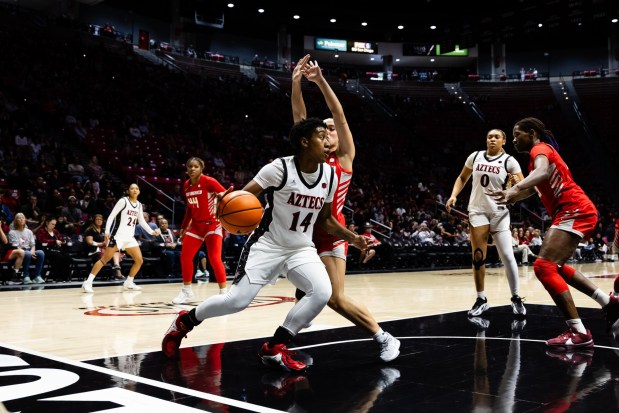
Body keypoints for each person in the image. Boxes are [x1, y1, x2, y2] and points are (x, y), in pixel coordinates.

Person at [162, 117, 370, 372]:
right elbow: (245, 196)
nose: (327, 141)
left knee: (322, 292)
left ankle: (274, 348)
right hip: (267, 245)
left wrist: (354, 238)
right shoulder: (279, 168)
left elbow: (325, 219)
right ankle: (185, 322)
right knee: (236, 302)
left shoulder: (329, 174)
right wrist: (228, 200)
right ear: (305, 142)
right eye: (321, 136)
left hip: (301, 248)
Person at [290, 54, 400, 361]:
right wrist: (296, 81)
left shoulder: (345, 158)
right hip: (301, 233)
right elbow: (299, 115)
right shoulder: (309, 157)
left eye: (331, 129)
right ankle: (302, 311)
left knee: (335, 298)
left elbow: (338, 114)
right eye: (321, 130)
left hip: (332, 233)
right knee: (304, 285)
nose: (327, 132)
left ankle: (384, 337)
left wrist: (320, 80)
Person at [487, 117, 619, 348]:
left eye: (517, 134)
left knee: (543, 267)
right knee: (554, 266)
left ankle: (579, 332)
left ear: (532, 133)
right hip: (571, 210)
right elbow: (533, 188)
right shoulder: (535, 161)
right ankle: (609, 304)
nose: (514, 139)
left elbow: (542, 172)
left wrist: (515, 187)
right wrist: (511, 196)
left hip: (573, 208)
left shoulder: (540, 150)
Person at [446, 128, 526, 317]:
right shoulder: (475, 157)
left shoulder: (510, 161)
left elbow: (523, 187)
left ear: (503, 141)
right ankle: (481, 299)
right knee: (478, 257)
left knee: (507, 255)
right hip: (478, 211)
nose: (492, 139)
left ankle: (516, 298)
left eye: (496, 137)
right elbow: (462, 177)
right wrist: (453, 195)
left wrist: (515, 188)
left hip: (499, 212)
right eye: (489, 136)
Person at [81, 183, 160, 293]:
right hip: (118, 237)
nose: (134, 190)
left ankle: (128, 282)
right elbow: (111, 216)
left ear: (139, 191)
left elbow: (141, 221)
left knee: (139, 260)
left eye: (137, 188)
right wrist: (107, 232)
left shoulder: (139, 205)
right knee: (104, 260)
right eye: (132, 188)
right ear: (128, 191)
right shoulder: (123, 201)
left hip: (130, 238)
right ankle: (87, 282)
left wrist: (152, 232)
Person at [171, 157, 229, 304]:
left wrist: (222, 198)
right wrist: (183, 228)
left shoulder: (209, 181)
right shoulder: (186, 185)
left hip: (212, 224)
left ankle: (224, 293)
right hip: (196, 226)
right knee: (185, 256)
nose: (192, 169)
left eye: (195, 166)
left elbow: (227, 197)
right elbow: (189, 209)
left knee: (214, 258)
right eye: (190, 166)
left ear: (201, 168)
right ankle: (187, 292)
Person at [83, 214, 125, 281]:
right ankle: (118, 273)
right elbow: (90, 242)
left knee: (114, 249)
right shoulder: (90, 230)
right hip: (93, 250)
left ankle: (116, 266)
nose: (99, 221)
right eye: (97, 219)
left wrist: (107, 242)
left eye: (100, 220)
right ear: (94, 220)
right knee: (110, 253)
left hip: (104, 248)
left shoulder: (105, 230)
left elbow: (110, 239)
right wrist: (101, 244)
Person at [8, 213, 45, 284]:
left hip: (29, 250)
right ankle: (26, 276)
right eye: (19, 218)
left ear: (25, 220)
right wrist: (28, 252)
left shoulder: (29, 231)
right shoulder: (12, 232)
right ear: (16, 221)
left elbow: (33, 244)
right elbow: (16, 246)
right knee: (27, 253)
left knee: (41, 253)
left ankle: (37, 276)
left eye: (23, 218)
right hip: (19, 251)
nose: (22, 219)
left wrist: (32, 251)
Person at [35, 217, 71, 282]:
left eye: (55, 224)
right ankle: (56, 277)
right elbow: (42, 240)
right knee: (58, 257)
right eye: (52, 224)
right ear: (47, 223)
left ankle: (65, 277)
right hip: (46, 250)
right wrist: (54, 242)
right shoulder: (42, 231)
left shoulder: (55, 231)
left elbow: (60, 238)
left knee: (67, 256)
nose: (54, 226)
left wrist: (63, 241)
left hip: (56, 249)